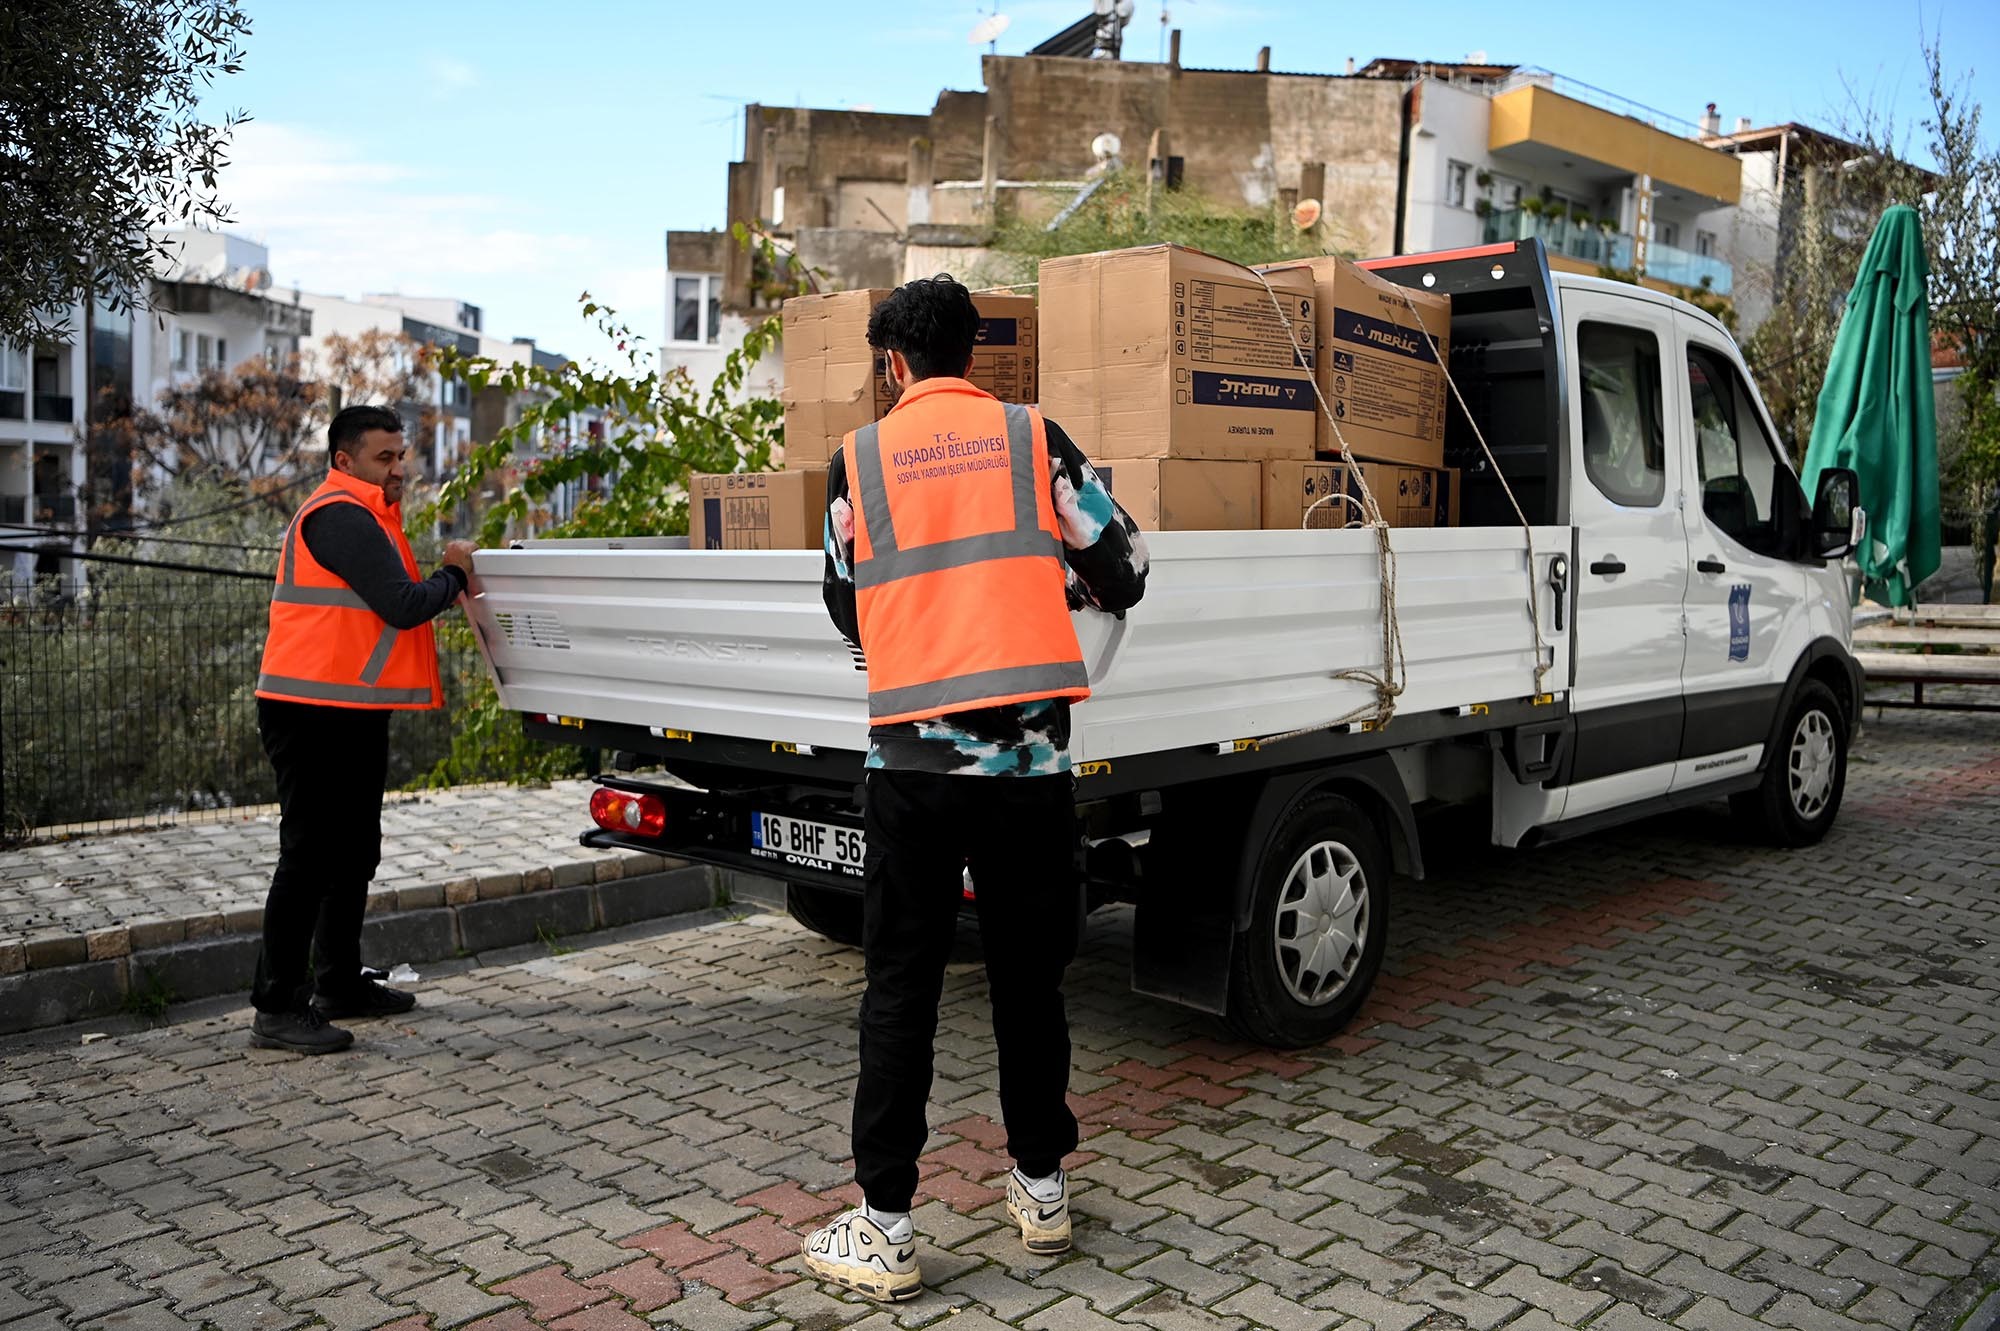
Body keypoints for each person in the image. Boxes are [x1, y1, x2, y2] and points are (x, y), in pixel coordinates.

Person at [803, 275, 1149, 1301]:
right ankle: (1040, 1188)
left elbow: (843, 601)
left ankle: (884, 1225)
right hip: (1028, 769)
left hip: (909, 770)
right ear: (971, 355)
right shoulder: (1029, 440)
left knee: (900, 987)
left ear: (893, 365)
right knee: (1028, 979)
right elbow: (1120, 566)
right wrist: (1051, 582)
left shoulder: (855, 461)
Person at [248, 404, 477, 1055]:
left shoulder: (368, 515)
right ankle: (277, 1008)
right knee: (308, 859)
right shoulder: (341, 516)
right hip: (308, 710)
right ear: (345, 460)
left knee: (352, 852)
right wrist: (455, 572)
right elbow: (403, 605)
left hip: (346, 709)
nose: (400, 467)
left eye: (402, 454)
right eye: (386, 456)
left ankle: (339, 982)